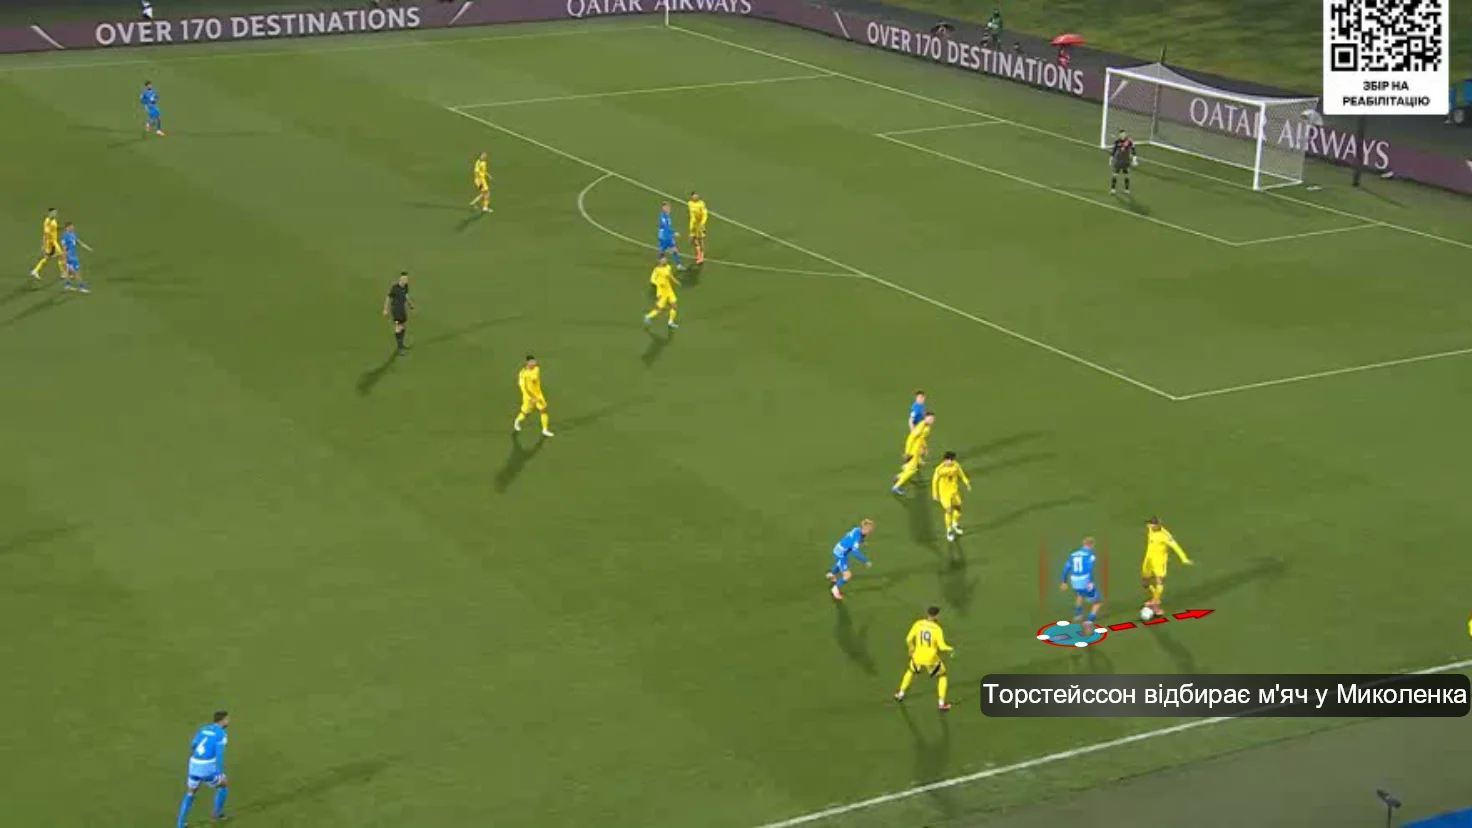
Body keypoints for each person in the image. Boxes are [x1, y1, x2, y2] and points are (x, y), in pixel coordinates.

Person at [176, 711, 230, 828]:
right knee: (223, 784)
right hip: (206, 765)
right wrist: (219, 772)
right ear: (223, 720)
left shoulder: (203, 728)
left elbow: (193, 744)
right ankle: (216, 814)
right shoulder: (221, 734)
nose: (228, 721)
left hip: (193, 763)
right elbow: (219, 754)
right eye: (227, 719)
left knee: (190, 792)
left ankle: (180, 824)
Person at [895, 606, 953, 710]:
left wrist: (911, 649)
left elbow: (908, 639)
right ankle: (941, 703)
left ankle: (900, 693)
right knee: (942, 675)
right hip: (931, 658)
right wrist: (951, 649)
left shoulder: (918, 624)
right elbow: (942, 646)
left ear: (927, 613)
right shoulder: (937, 628)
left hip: (917, 655)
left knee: (910, 671)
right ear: (936, 615)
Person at [1141, 516, 1191, 615]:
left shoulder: (1165, 536)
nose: (1150, 525)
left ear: (1158, 524)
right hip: (1148, 560)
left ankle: (1155, 604)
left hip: (1159, 562)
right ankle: (1154, 597)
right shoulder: (1150, 529)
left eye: (1153, 524)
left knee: (1159, 581)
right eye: (1150, 523)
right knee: (1145, 582)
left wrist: (1184, 558)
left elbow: (1176, 546)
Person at [1060, 537, 1102, 633]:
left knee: (1079, 595)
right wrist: (1090, 581)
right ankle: (1088, 621)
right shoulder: (1090, 554)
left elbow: (1066, 568)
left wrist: (1064, 581)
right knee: (1097, 602)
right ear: (1091, 545)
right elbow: (1089, 568)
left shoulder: (1073, 554)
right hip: (1085, 579)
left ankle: (1078, 615)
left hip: (1074, 579)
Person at [827, 519, 873, 600]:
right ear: (864, 529)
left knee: (840, 563)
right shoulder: (857, 538)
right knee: (847, 575)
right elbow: (855, 552)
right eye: (869, 530)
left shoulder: (856, 529)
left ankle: (831, 574)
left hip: (839, 548)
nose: (870, 531)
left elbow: (848, 535)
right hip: (840, 554)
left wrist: (862, 541)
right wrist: (865, 561)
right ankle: (835, 588)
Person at [930, 451, 971, 542]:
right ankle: (949, 530)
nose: (951, 461)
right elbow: (934, 481)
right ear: (945, 460)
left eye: (952, 460)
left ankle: (954, 524)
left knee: (958, 508)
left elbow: (961, 474)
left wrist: (967, 483)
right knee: (948, 510)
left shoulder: (956, 465)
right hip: (944, 494)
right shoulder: (939, 469)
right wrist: (935, 493)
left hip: (954, 492)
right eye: (950, 460)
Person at [892, 411, 934, 495]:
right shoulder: (921, 426)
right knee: (911, 470)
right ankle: (896, 487)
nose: (932, 420)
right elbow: (911, 438)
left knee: (912, 468)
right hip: (912, 452)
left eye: (932, 419)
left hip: (917, 450)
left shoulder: (927, 427)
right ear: (925, 418)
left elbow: (921, 438)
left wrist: (924, 447)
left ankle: (899, 476)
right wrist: (907, 453)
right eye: (930, 419)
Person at [513, 355, 554, 437]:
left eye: (534, 361)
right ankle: (517, 421)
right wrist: (531, 398)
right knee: (525, 413)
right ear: (527, 363)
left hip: (538, 395)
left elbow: (535, 380)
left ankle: (545, 430)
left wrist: (537, 397)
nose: (534, 363)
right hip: (528, 397)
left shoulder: (537, 369)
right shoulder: (523, 374)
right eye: (531, 362)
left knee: (544, 410)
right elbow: (523, 387)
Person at [643, 255, 679, 329]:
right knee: (660, 309)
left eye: (665, 259)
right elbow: (652, 279)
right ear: (659, 261)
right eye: (663, 260)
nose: (665, 261)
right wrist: (658, 283)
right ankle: (648, 316)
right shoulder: (656, 270)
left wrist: (675, 281)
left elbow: (670, 275)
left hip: (669, 290)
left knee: (674, 306)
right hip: (662, 292)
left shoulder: (668, 267)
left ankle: (670, 322)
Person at [382, 272, 413, 354]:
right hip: (396, 309)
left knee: (403, 326)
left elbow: (406, 295)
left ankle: (401, 344)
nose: (406, 280)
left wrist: (410, 304)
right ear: (400, 279)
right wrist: (385, 309)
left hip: (402, 309)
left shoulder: (405, 287)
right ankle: (399, 348)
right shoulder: (395, 288)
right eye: (404, 279)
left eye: (406, 279)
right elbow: (388, 298)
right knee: (399, 327)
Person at [30, 207, 64, 280]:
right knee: (60, 255)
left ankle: (35, 271)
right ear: (50, 213)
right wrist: (43, 245)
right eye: (54, 212)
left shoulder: (53, 220)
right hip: (51, 243)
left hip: (54, 242)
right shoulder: (47, 222)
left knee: (53, 257)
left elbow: (54, 228)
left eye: (56, 212)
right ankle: (62, 273)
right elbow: (45, 234)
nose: (55, 214)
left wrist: (61, 228)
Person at [60, 222, 88, 293]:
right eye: (71, 227)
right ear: (67, 228)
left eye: (72, 227)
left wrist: (84, 245)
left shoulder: (73, 234)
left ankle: (67, 285)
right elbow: (64, 247)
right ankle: (81, 287)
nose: (73, 228)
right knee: (77, 271)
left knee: (68, 271)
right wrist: (64, 258)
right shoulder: (64, 236)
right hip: (70, 256)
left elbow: (77, 241)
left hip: (73, 254)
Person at [656, 202, 685, 271]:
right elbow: (665, 226)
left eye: (669, 207)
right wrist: (673, 233)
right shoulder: (662, 216)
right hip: (663, 237)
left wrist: (671, 234)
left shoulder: (667, 215)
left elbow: (668, 226)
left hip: (668, 236)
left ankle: (678, 265)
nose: (668, 208)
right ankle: (660, 266)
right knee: (662, 252)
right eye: (666, 207)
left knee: (674, 249)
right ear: (663, 208)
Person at [1109, 129, 1136, 195]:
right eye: (1121, 134)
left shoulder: (1129, 141)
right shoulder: (1117, 142)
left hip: (1126, 161)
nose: (1122, 135)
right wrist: (1110, 159)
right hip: (1118, 161)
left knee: (1126, 175)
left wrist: (1134, 159)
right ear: (1119, 135)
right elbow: (1114, 151)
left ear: (1125, 134)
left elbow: (1133, 150)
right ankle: (1113, 189)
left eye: (1123, 134)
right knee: (1115, 175)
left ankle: (1126, 189)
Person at [686, 192, 707, 265]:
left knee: (701, 240)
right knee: (691, 240)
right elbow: (691, 215)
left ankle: (701, 256)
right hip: (693, 224)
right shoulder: (689, 203)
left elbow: (705, 214)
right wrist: (692, 225)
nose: (696, 197)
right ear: (692, 197)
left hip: (700, 224)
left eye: (697, 196)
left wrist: (702, 224)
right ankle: (698, 252)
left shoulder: (701, 203)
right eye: (694, 196)